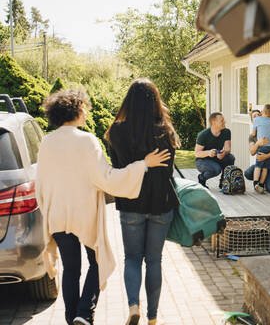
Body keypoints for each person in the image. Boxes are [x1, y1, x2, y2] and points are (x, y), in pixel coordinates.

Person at [36, 89, 170, 325]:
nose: (86, 113)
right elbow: (106, 178)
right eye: (84, 108)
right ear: (75, 110)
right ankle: (84, 313)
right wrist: (143, 165)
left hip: (57, 213)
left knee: (71, 269)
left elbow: (41, 182)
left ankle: (72, 318)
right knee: (97, 262)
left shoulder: (46, 142)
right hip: (83, 214)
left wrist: (46, 215)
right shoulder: (87, 140)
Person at [105, 78, 180, 325]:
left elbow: (117, 169)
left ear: (129, 101)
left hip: (131, 205)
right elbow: (168, 169)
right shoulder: (165, 130)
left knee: (133, 258)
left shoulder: (116, 131)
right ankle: (153, 318)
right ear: (155, 101)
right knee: (154, 260)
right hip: (161, 204)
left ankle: (133, 306)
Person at [244, 109, 270, 193]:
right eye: (254, 116)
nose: (257, 117)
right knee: (248, 173)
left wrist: (266, 156)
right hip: (261, 164)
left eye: (259, 115)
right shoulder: (252, 136)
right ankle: (264, 180)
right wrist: (258, 143)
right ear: (252, 121)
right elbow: (252, 152)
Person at [195, 112, 235, 188]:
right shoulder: (203, 135)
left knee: (230, 158)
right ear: (213, 122)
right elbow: (197, 153)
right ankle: (202, 178)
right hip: (202, 160)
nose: (224, 122)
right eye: (222, 121)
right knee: (216, 169)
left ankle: (224, 182)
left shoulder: (226, 132)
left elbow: (227, 149)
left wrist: (224, 153)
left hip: (216, 157)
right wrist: (209, 153)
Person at [251, 104, 270, 193]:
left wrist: (257, 133)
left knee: (258, 166)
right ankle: (261, 184)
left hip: (263, 146)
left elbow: (253, 134)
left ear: (261, 112)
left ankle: (255, 183)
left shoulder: (256, 120)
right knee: (265, 167)